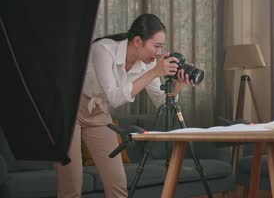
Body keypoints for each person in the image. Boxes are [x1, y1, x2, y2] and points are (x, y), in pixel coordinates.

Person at [54, 14, 193, 198]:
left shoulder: (147, 66)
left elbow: (161, 101)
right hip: (68, 111)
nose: (159, 53)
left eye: (162, 47)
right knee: (71, 186)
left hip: (98, 112)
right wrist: (154, 72)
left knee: (118, 185)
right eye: (157, 46)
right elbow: (115, 98)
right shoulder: (103, 50)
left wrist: (178, 85)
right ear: (137, 41)